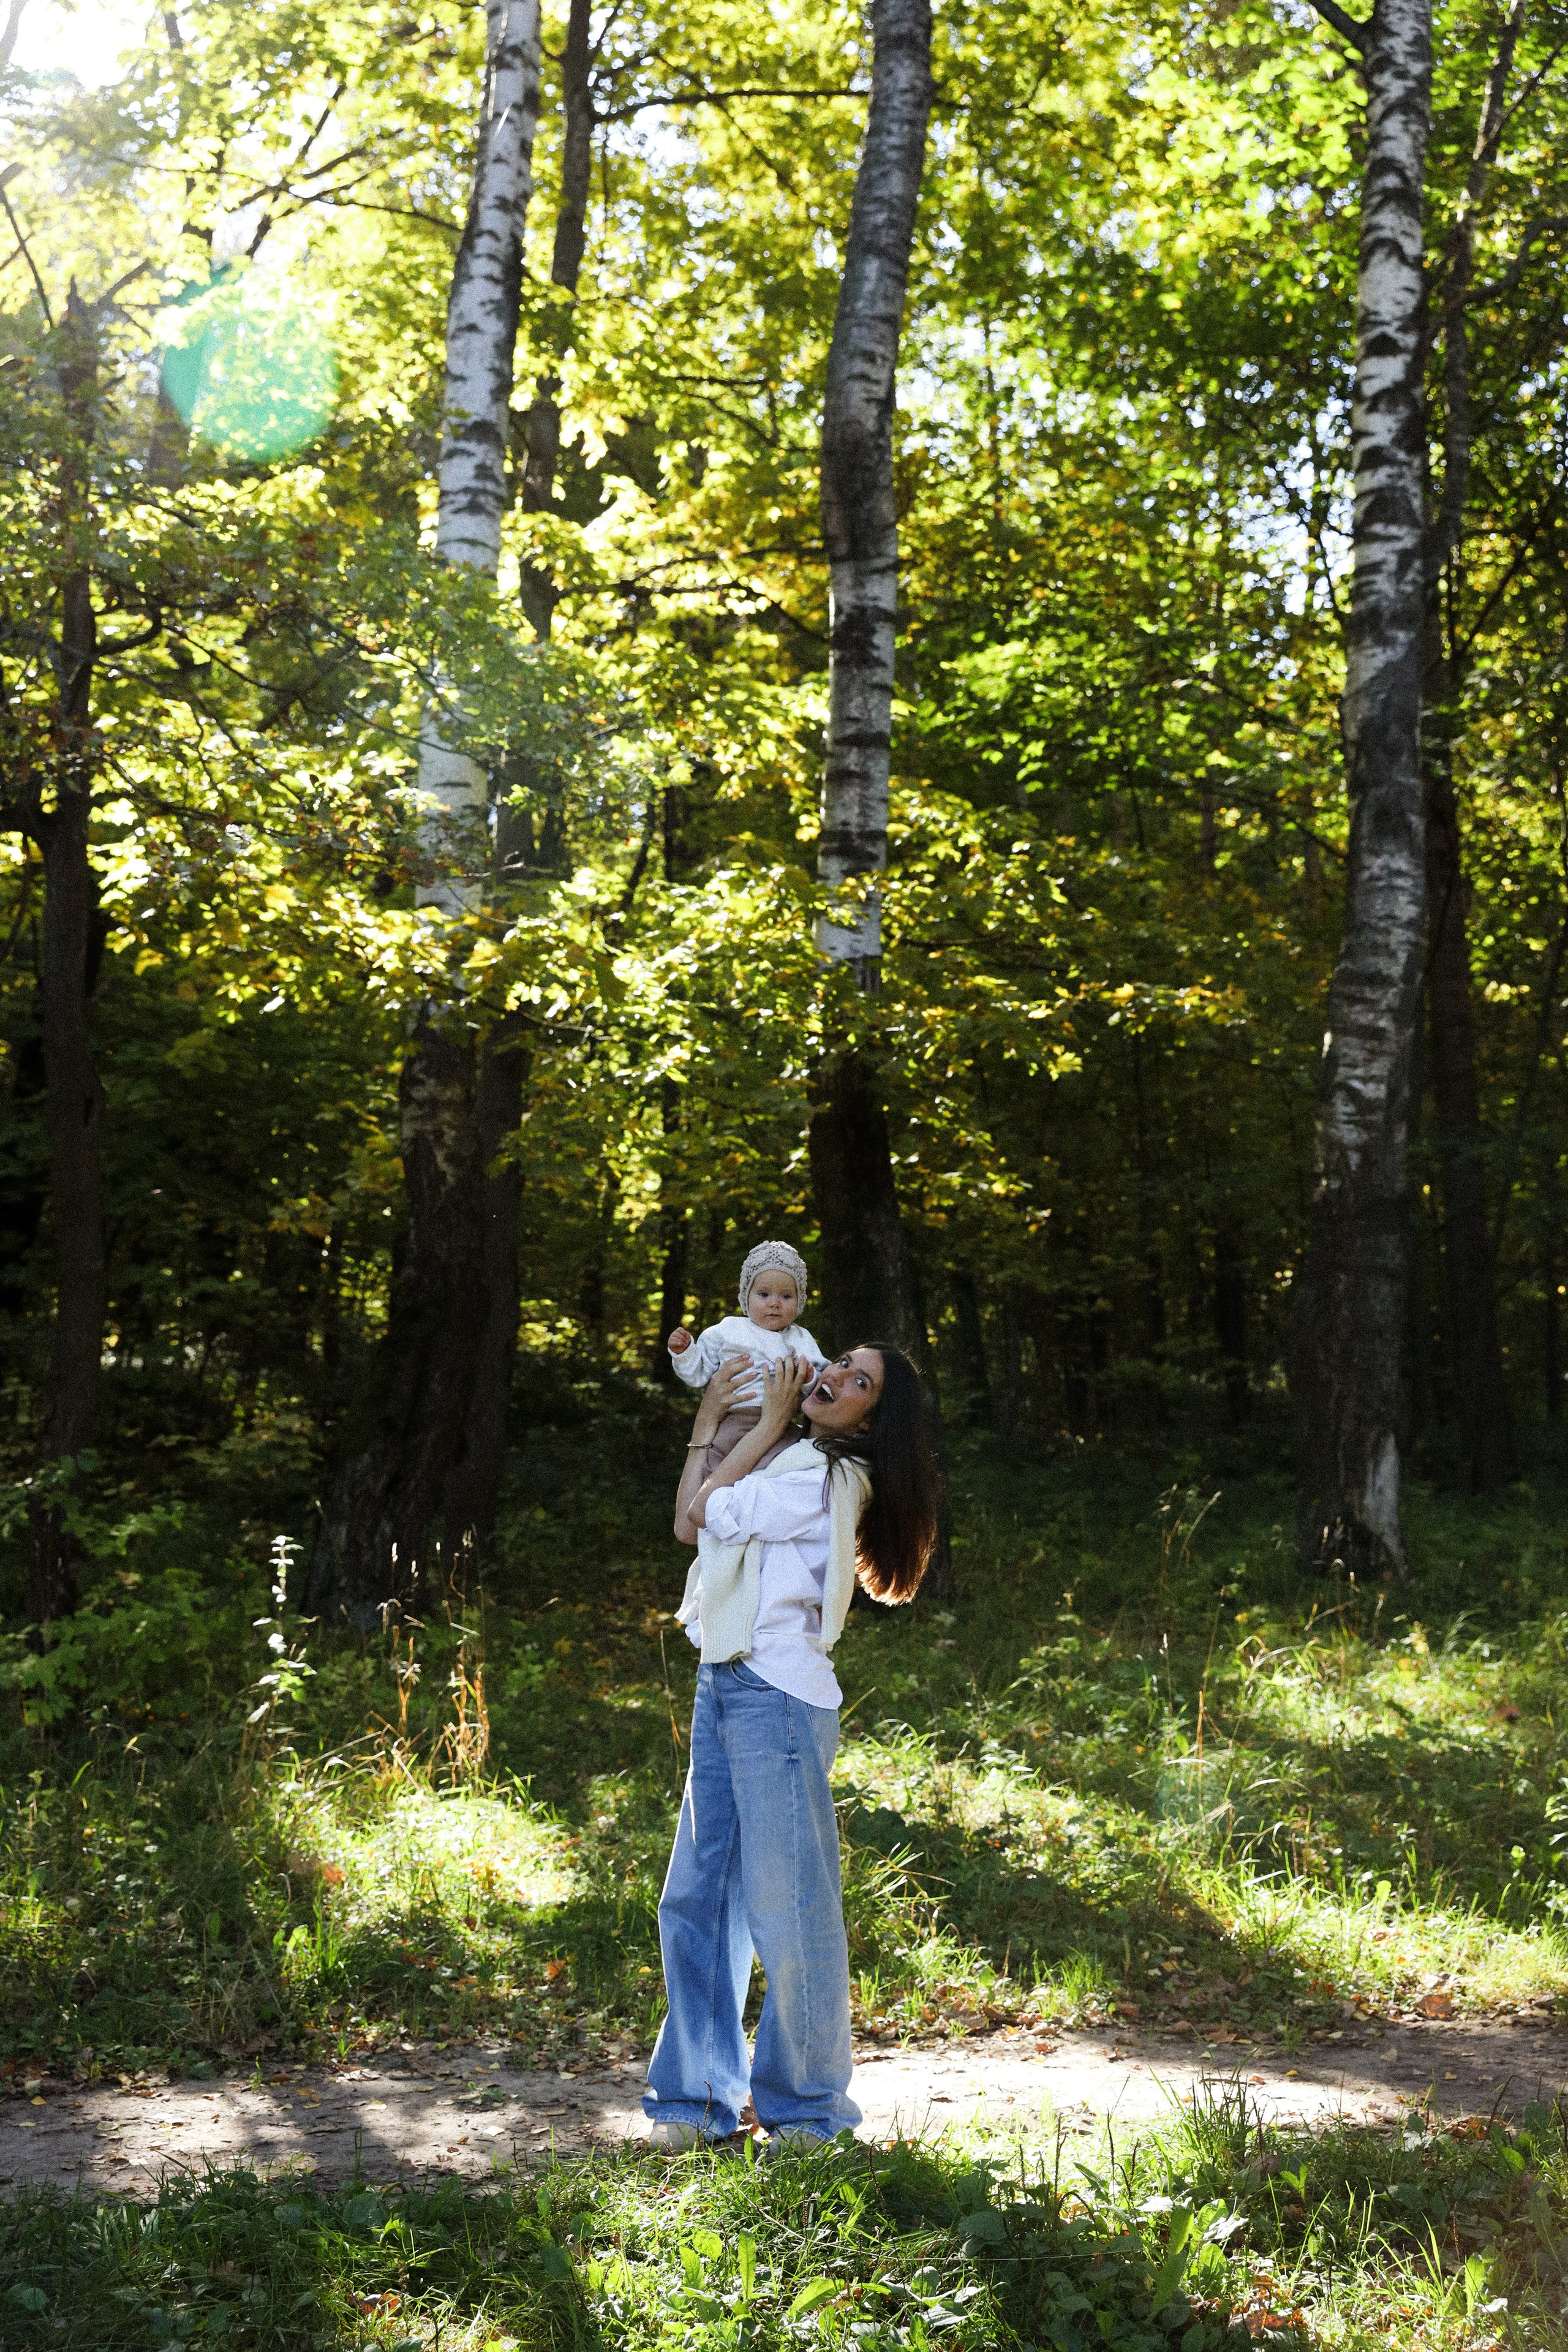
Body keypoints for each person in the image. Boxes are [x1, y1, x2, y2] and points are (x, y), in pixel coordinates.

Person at [641, 1341, 940, 2150]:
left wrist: (764, 1418)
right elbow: (688, 1522)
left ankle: (807, 2112)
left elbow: (712, 1509)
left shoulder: (826, 1474)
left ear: (875, 1418)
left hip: (776, 1699)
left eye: (860, 1382)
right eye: (840, 1361)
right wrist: (721, 1421)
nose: (835, 1377)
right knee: (698, 1899)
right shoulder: (789, 1460)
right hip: (724, 1682)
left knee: (789, 1910)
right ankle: (695, 2101)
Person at [666, 1241, 826, 1480]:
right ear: (746, 1296)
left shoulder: (800, 1338)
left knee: (789, 1463)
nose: (775, 1303)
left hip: (782, 1424)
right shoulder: (728, 1330)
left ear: (800, 1301)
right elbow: (698, 1373)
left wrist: (809, 1376)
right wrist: (685, 1351)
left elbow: (821, 1378)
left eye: (786, 1296)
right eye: (764, 1294)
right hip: (735, 1419)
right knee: (715, 1470)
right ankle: (714, 1507)